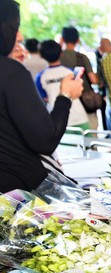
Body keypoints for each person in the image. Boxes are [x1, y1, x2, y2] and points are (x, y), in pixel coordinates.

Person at [0, 0, 83, 192]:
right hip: (17, 193)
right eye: (15, 27)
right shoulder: (11, 72)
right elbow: (45, 140)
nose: (19, 35)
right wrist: (65, 95)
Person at [35, 40, 89, 129]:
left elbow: (44, 98)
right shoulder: (71, 72)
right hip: (80, 117)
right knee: (88, 142)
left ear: (42, 56)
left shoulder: (40, 77)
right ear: (61, 53)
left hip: (58, 120)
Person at [60, 26, 100, 130]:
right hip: (86, 101)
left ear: (62, 39)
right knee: (90, 134)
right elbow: (93, 80)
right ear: (77, 40)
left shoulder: (57, 58)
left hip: (65, 102)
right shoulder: (82, 57)